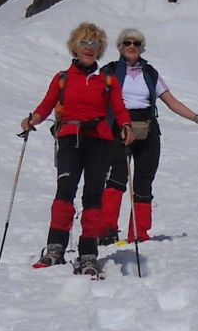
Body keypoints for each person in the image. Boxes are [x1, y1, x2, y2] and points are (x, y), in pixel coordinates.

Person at [21, 22, 134, 276]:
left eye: (94, 44)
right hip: (70, 139)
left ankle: (88, 253)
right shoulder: (62, 79)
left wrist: (126, 125)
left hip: (100, 141)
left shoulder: (107, 80)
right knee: (65, 191)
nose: (89, 48)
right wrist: (32, 120)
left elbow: (119, 107)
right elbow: (47, 104)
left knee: (93, 195)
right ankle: (55, 248)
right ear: (75, 46)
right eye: (84, 43)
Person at [100, 28, 198, 244]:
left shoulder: (150, 73)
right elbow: (94, 99)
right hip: (118, 127)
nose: (132, 46)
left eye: (136, 43)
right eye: (127, 43)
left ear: (142, 48)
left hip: (148, 129)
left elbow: (171, 101)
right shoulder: (109, 71)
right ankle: (106, 231)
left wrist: (197, 118)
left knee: (144, 179)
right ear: (120, 47)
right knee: (117, 177)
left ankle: (139, 234)